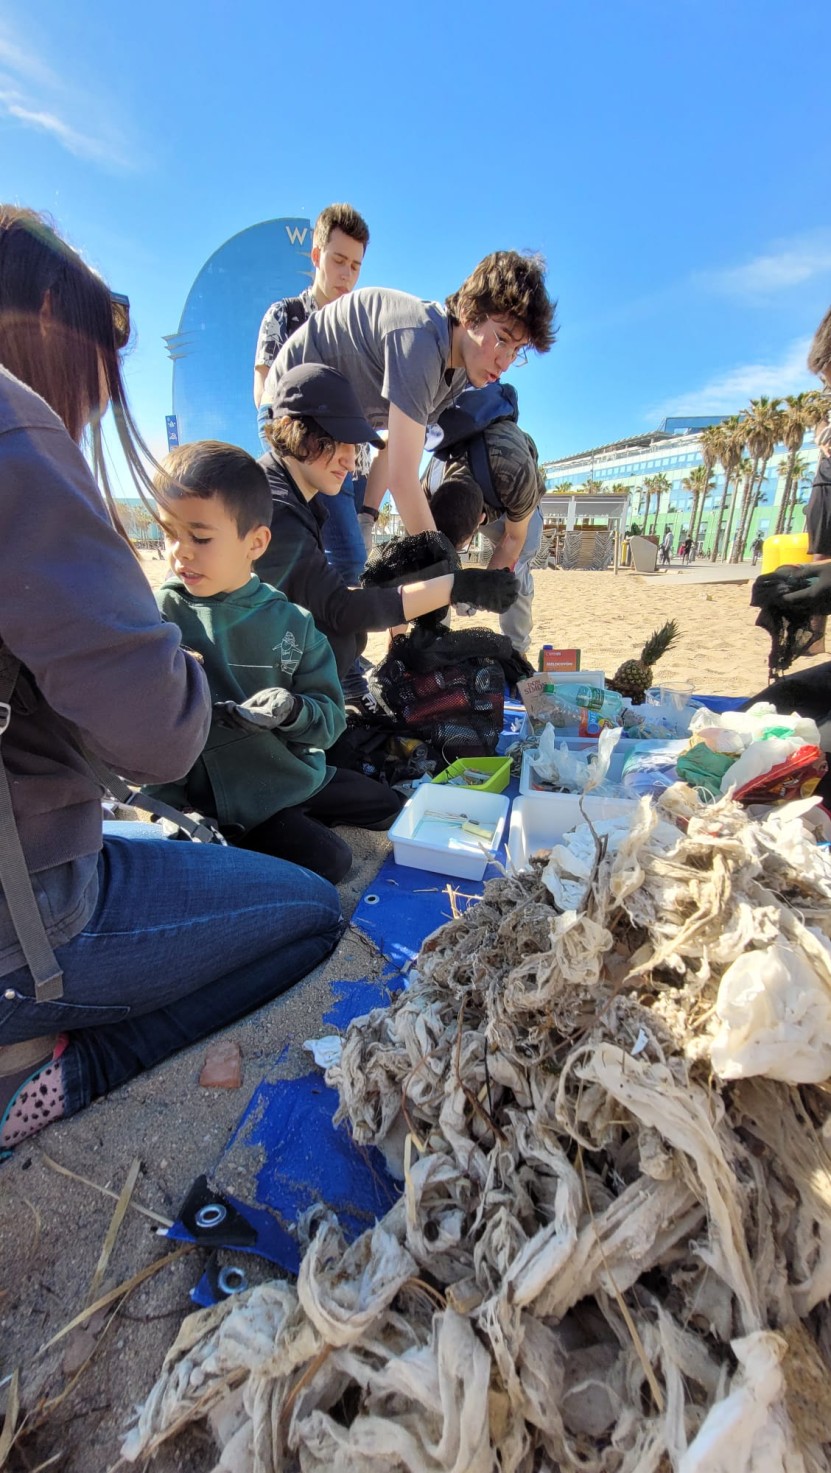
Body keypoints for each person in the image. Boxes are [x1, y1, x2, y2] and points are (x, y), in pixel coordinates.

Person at [0, 206, 343, 1153]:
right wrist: (182, 671)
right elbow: (158, 735)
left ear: (253, 542)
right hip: (22, 921)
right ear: (41, 309)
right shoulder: (15, 427)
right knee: (310, 911)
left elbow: (326, 705)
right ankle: (61, 1070)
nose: (92, 405)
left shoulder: (285, 618)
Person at [151, 441, 403, 882]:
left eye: (200, 537)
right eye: (169, 533)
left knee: (389, 808)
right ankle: (253, 838)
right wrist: (165, 808)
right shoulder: (160, 616)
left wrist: (291, 710)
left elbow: (328, 720)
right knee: (334, 862)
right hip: (225, 794)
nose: (180, 551)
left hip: (291, 771)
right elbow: (144, 729)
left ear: (257, 542)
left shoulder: (293, 621)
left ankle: (303, 815)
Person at [262, 251, 556, 542]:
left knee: (347, 556)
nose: (505, 362)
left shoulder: (458, 372)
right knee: (308, 550)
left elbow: (393, 445)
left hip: (333, 429)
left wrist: (368, 515)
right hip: (289, 412)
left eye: (516, 351)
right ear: (469, 312)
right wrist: (444, 568)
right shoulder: (421, 345)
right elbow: (403, 480)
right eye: (502, 339)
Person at [257, 364, 521, 683]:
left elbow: (319, 595)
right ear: (291, 428)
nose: (350, 459)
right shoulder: (277, 509)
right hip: (260, 693)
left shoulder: (289, 493)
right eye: (335, 440)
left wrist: (401, 586)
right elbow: (339, 610)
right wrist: (458, 586)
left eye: (354, 445)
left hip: (273, 668)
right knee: (344, 639)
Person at [254, 203, 371, 585]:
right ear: (317, 256)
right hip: (309, 455)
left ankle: (325, 643)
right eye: (339, 260)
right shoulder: (284, 316)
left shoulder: (361, 330)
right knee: (343, 562)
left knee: (351, 566)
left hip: (358, 465)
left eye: (355, 266)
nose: (346, 274)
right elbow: (264, 396)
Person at [421, 412, 546, 657]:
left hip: (512, 495)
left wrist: (477, 592)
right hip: (472, 482)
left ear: (480, 522)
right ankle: (434, 643)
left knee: (516, 569)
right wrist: (453, 586)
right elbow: (425, 557)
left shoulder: (516, 479)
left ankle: (516, 651)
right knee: (435, 567)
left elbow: (513, 540)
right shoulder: (429, 484)